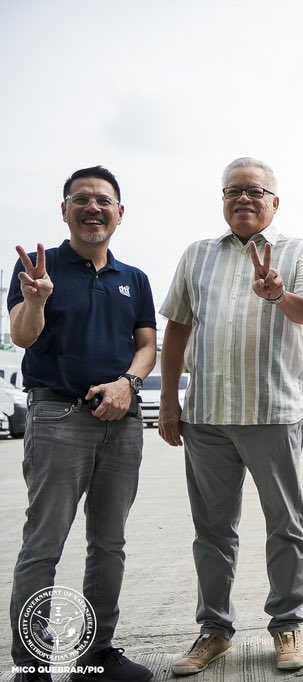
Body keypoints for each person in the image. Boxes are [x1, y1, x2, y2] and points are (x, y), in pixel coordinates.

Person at [159, 158, 303, 676]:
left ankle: (288, 625)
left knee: (285, 526)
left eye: (255, 191)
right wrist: (169, 398)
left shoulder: (297, 250)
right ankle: (214, 630)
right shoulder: (197, 255)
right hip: (207, 415)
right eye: (232, 191)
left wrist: (278, 293)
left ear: (275, 202)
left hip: (274, 412)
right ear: (222, 200)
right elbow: (178, 331)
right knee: (211, 530)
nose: (243, 199)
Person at [7, 166, 157, 682]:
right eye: (82, 199)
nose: (94, 208)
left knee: (108, 542)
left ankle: (96, 652)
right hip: (57, 417)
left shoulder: (133, 279)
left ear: (120, 212)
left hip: (123, 421)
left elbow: (146, 347)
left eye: (104, 200)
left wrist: (128, 386)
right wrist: (35, 300)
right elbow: (24, 338)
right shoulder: (37, 271)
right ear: (64, 209)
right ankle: (31, 663)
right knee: (44, 544)